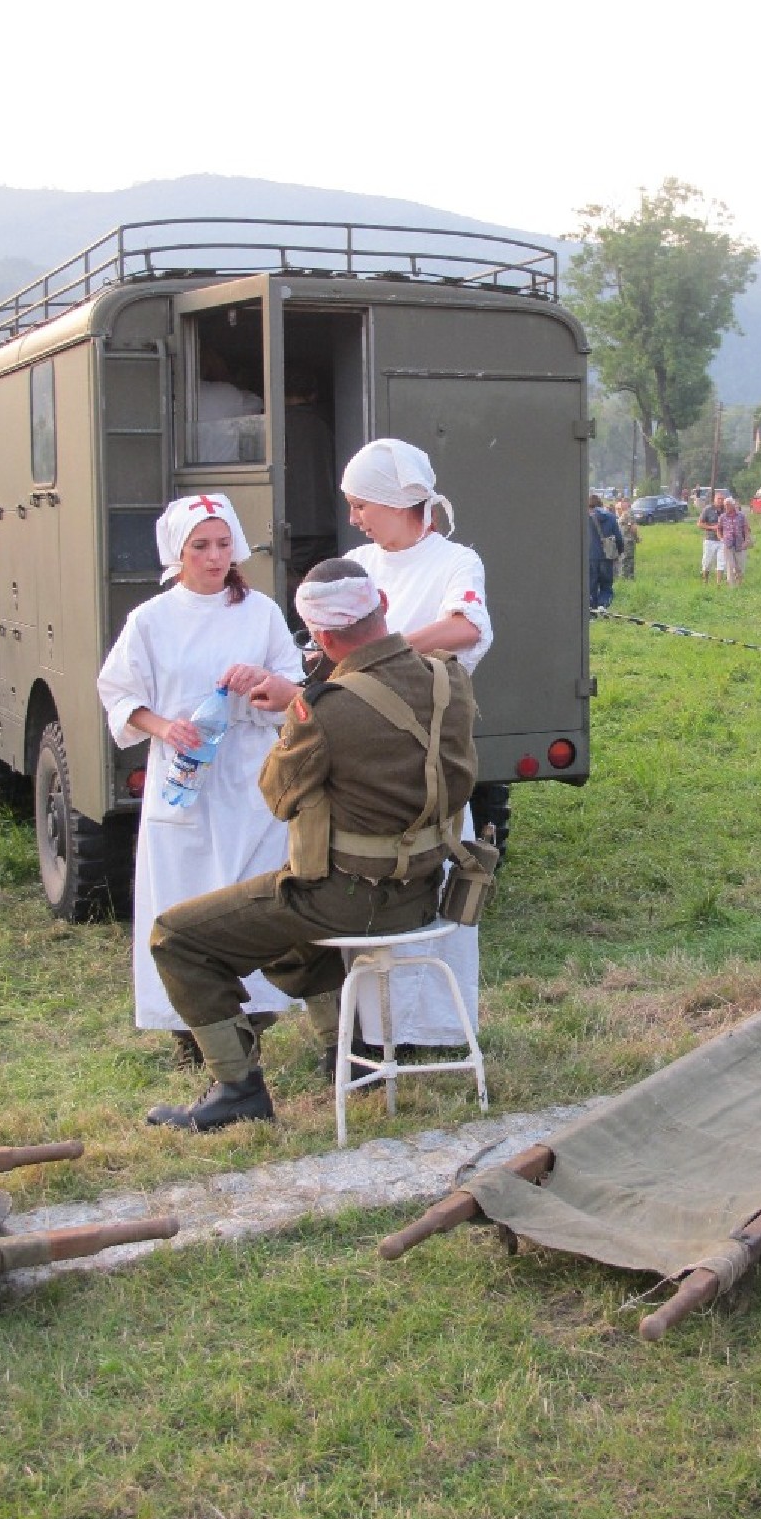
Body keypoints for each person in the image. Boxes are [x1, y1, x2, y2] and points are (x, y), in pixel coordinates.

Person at [145, 559, 478, 1131]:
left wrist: (296, 714)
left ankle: (237, 1087)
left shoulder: (321, 709)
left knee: (176, 938)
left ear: (321, 637)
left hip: (348, 899)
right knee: (286, 939)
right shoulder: (447, 679)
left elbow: (277, 797)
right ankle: (342, 1049)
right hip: (426, 890)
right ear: (383, 606)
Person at [97, 493, 304, 1065]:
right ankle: (191, 1026)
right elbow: (119, 693)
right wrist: (166, 727)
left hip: (248, 774)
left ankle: (251, 1018)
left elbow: (292, 686)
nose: (214, 557)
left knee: (250, 894)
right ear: (178, 553)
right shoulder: (151, 620)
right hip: (185, 779)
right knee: (182, 896)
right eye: (201, 546)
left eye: (222, 545)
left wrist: (260, 681)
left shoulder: (260, 613)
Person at [339, 438, 493, 1056]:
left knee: (433, 883)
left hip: (428, 754)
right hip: (363, 758)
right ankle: (371, 1030)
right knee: (368, 885)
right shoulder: (358, 563)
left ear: (395, 502)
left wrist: (387, 654)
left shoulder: (455, 561)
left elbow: (465, 626)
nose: (355, 518)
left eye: (361, 505)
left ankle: (435, 1027)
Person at [283, 362, 338, 626]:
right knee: (328, 594)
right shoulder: (330, 423)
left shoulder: (272, 428)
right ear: (314, 393)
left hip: (290, 528)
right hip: (329, 524)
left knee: (290, 595)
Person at [195, 347, 264, 464]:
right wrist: (225, 377)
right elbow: (257, 405)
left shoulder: (170, 396)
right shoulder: (226, 393)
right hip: (224, 472)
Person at [588, 493, 624, 610]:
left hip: (589, 557)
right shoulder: (611, 517)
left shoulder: (583, 518)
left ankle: (591, 608)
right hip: (607, 556)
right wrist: (619, 552)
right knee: (606, 584)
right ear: (600, 504)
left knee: (591, 585)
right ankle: (602, 606)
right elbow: (619, 538)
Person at [718, 496, 749, 585]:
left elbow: (746, 529)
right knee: (730, 565)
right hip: (728, 544)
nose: (726, 507)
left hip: (739, 544)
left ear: (733, 505)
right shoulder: (722, 517)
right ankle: (731, 586)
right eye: (725, 505)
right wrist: (721, 538)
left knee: (740, 566)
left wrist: (746, 541)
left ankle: (739, 584)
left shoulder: (741, 516)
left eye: (728, 505)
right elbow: (719, 529)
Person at [698, 491, 724, 583]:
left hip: (722, 540)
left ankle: (718, 583)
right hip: (710, 539)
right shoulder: (708, 509)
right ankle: (705, 580)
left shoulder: (725, 510)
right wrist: (712, 527)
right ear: (714, 499)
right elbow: (699, 524)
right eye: (718, 499)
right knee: (707, 561)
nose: (720, 501)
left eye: (722, 499)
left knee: (721, 562)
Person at [617, 503, 640, 579]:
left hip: (626, 540)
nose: (617, 510)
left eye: (618, 508)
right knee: (628, 559)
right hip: (626, 540)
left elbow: (632, 527)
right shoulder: (626, 514)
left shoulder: (626, 514)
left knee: (626, 558)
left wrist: (636, 537)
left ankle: (626, 576)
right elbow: (632, 527)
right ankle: (627, 576)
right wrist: (637, 538)